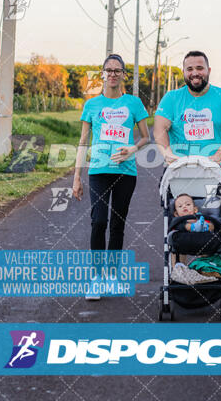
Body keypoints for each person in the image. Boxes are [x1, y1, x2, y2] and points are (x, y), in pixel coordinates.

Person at [73, 54, 149, 299]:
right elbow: (83, 142)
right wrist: (76, 177)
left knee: (117, 224)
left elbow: (146, 137)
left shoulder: (134, 103)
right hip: (98, 171)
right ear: (102, 73)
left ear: (123, 74)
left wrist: (133, 149)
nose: (113, 74)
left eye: (118, 70)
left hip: (126, 172)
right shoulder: (92, 105)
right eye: (109, 70)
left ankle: (112, 275)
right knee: (98, 221)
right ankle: (96, 279)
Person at [154, 50, 221, 215]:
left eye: (200, 68)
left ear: (209, 71)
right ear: (184, 73)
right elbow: (159, 129)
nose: (195, 73)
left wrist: (218, 155)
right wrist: (167, 153)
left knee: (213, 223)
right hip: (179, 174)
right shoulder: (171, 98)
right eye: (189, 69)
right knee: (180, 225)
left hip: (214, 174)